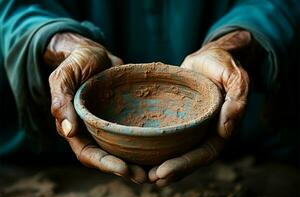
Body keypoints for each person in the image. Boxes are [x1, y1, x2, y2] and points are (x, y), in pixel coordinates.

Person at [0, 0, 299, 186]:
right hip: (51, 154)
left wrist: (231, 44)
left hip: (240, 140)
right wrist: (62, 43)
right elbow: (13, 7)